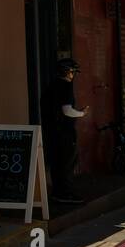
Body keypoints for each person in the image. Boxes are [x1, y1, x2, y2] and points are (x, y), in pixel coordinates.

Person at [42, 58, 87, 204]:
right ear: (68, 72)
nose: (73, 75)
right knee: (67, 162)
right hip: (64, 132)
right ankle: (66, 193)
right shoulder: (65, 86)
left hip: (52, 131)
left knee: (57, 162)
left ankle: (57, 192)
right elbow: (67, 110)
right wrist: (81, 113)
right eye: (73, 72)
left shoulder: (51, 86)